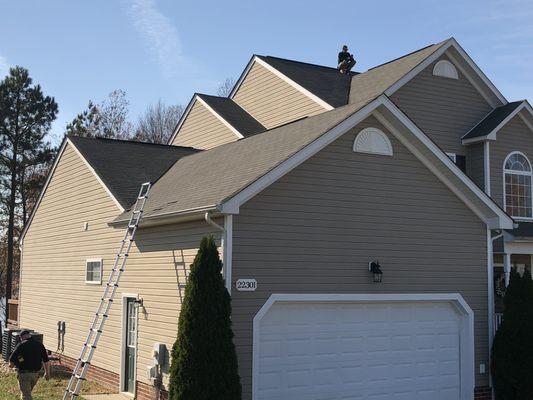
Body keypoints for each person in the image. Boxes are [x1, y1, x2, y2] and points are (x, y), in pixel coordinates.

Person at [9, 330, 51, 400]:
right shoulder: (40, 345)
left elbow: (11, 359)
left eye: (20, 337)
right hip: (35, 375)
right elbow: (46, 360)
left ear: (23, 337)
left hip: (24, 374)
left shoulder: (21, 345)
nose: (20, 339)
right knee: (26, 393)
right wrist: (47, 373)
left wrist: (11, 365)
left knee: (26, 396)